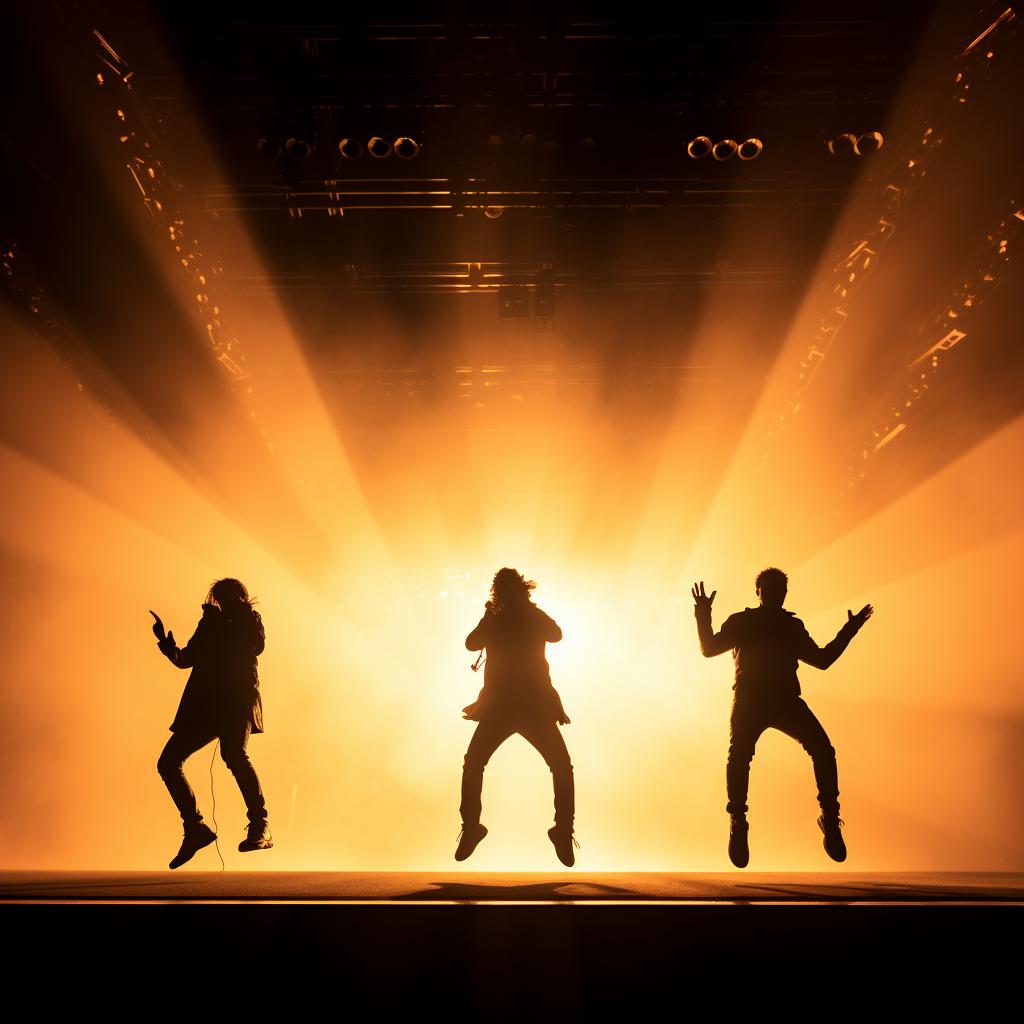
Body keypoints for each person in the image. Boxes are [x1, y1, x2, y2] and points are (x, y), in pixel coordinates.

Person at [692, 568, 872, 868]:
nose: (775, 594)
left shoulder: (792, 627)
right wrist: (702, 613)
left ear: (784, 594)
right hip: (750, 698)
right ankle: (737, 820)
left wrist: (849, 630)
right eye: (769, 589)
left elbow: (823, 660)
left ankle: (829, 818)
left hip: (784, 699)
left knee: (823, 751)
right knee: (738, 756)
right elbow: (709, 648)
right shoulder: (743, 621)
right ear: (758, 592)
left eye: (780, 590)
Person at [457, 568, 576, 866]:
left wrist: (491, 618)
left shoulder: (496, 617)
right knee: (561, 766)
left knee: (474, 763)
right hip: (530, 705)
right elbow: (556, 634)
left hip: (503, 705)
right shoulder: (524, 615)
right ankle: (562, 831)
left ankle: (472, 827)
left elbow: (472, 643)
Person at [151, 578, 272, 869]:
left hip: (235, 701)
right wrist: (168, 647)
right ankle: (195, 827)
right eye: (221, 595)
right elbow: (186, 659)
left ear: (241, 597)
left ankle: (260, 824)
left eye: (231, 595)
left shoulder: (249, 620)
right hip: (204, 705)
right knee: (168, 763)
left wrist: (236, 616)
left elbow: (256, 647)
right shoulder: (209, 623)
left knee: (234, 755)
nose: (226, 600)